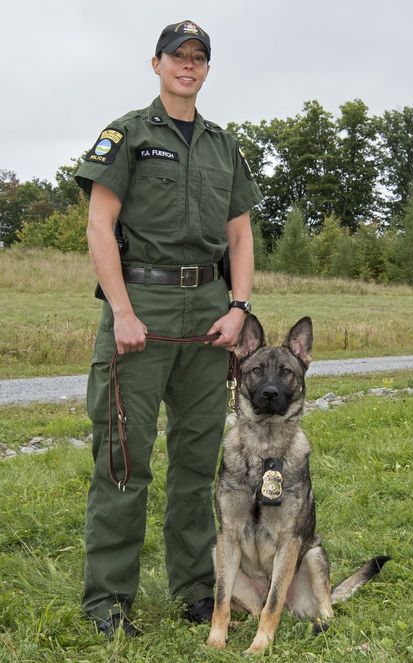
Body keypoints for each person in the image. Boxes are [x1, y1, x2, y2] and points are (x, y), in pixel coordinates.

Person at [75, 19, 262, 638]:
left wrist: (238, 309)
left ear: (207, 70)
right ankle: (107, 601)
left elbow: (239, 234)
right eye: (177, 56)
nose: (188, 65)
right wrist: (122, 312)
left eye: (199, 58)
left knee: (197, 459)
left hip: (210, 313)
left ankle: (192, 589)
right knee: (124, 460)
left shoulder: (222, 145)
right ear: (155, 64)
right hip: (142, 308)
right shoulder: (126, 134)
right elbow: (101, 227)